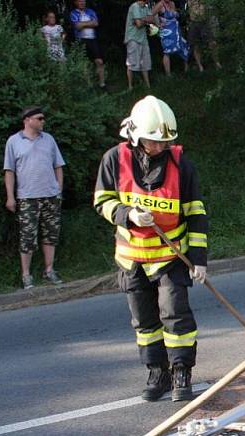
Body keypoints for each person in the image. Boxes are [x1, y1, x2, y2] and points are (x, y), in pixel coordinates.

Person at [93, 96, 208, 401]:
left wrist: (199, 260)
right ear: (134, 136)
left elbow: (196, 213)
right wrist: (127, 214)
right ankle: (158, 372)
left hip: (171, 257)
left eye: (164, 142)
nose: (159, 148)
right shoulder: (114, 160)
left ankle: (182, 371)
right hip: (132, 260)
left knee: (175, 315)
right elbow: (102, 202)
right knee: (144, 322)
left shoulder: (182, 165)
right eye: (152, 142)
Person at [4, 107, 66, 290]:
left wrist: (58, 190)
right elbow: (9, 171)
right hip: (27, 197)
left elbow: (58, 166)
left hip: (50, 195)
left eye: (43, 118)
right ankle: (26, 275)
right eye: (39, 118)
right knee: (27, 237)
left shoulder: (49, 139)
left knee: (51, 234)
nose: (43, 121)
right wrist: (10, 197)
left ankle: (49, 270)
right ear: (27, 120)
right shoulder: (14, 141)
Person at [69, 0, 106, 89]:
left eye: (83, 1)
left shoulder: (90, 11)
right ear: (76, 2)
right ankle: (89, 85)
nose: (82, 3)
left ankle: (102, 84)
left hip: (92, 39)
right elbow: (77, 26)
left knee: (99, 61)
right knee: (84, 63)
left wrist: (83, 24)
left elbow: (96, 23)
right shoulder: (73, 13)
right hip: (81, 40)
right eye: (80, 1)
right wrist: (90, 23)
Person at [124, 0, 157, 90]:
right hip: (132, 38)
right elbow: (139, 24)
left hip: (143, 38)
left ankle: (147, 85)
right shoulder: (134, 6)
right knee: (131, 63)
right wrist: (146, 19)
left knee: (145, 63)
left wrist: (142, 20)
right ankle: (130, 86)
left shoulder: (145, 7)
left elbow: (152, 19)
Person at [153, 0, 189, 75]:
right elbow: (151, 14)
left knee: (183, 46)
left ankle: (186, 68)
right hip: (166, 32)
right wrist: (158, 24)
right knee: (167, 52)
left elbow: (175, 15)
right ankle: (168, 74)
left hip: (176, 30)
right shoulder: (160, 4)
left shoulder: (172, 3)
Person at [187, 0, 221, 72]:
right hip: (194, 23)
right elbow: (190, 5)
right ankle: (200, 66)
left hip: (204, 23)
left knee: (212, 43)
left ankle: (217, 63)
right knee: (196, 45)